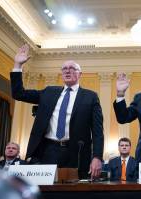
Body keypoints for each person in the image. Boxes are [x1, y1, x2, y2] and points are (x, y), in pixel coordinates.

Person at [10, 44, 104, 179]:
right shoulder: (49, 92)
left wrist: (97, 157)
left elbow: (97, 131)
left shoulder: (90, 96)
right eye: (64, 68)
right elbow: (18, 94)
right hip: (48, 150)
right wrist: (18, 66)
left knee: (72, 192)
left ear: (80, 74)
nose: (68, 71)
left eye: (72, 68)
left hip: (76, 152)